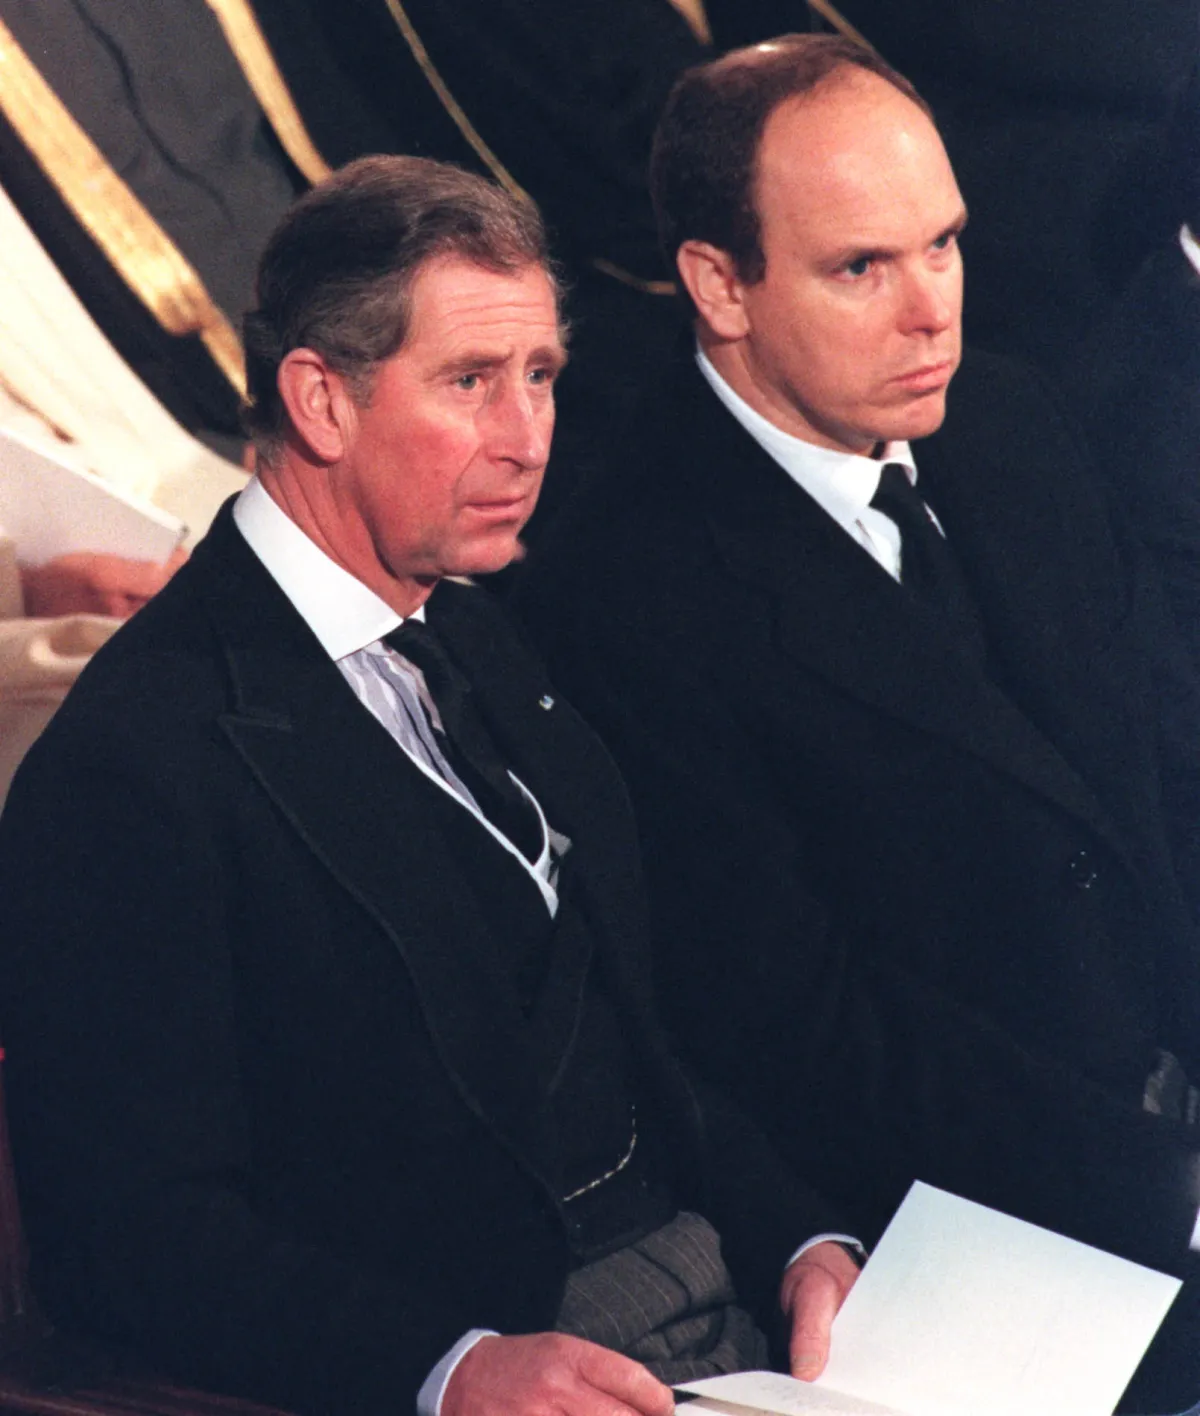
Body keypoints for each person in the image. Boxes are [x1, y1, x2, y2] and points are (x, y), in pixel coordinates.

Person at [0, 154, 858, 1416]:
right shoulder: (136, 759)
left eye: (542, 377)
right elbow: (126, 1239)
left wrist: (801, 1240)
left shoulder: (486, 635)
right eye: (469, 382)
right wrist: (444, 1369)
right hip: (476, 1353)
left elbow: (639, 1041)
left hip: (732, 1315)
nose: (526, 438)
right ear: (322, 402)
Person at [516, 37, 1200, 1402]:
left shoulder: (1010, 421)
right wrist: (1162, 1188)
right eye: (859, 269)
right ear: (720, 283)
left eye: (943, 244)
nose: (931, 309)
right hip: (988, 1235)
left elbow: (1169, 775)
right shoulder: (626, 585)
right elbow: (799, 1025)